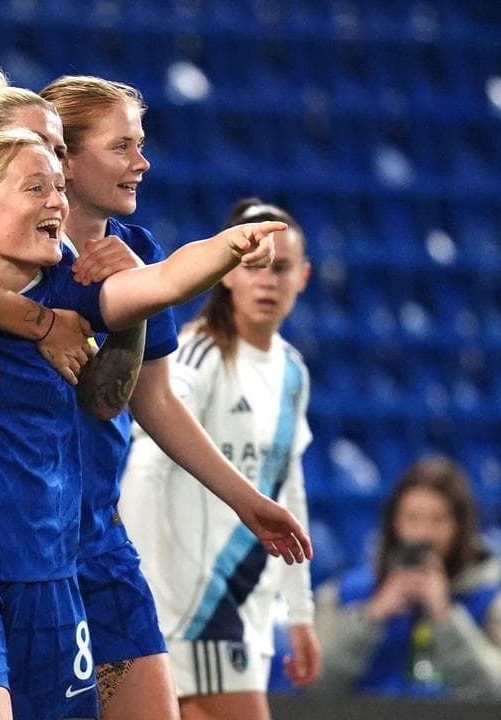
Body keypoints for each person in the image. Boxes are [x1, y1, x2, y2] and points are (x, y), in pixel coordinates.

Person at [0, 127, 298, 720]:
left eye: (58, 188)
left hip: (52, 571)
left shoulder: (77, 288)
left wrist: (227, 247)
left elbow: (165, 280)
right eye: (37, 188)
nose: (58, 201)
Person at [121, 198, 320, 720]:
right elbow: (145, 463)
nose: (268, 281)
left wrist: (300, 613)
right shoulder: (198, 355)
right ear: (229, 274)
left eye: (282, 268)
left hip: (250, 605)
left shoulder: (293, 372)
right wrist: (149, 588)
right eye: (255, 266)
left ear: (304, 277)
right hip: (197, 604)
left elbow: (288, 483)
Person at [313, 456, 501, 698]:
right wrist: (372, 615)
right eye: (412, 518)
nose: (424, 533)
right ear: (394, 523)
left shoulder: (498, 607)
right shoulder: (343, 594)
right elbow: (313, 683)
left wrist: (445, 616)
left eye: (438, 520)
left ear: (460, 527)